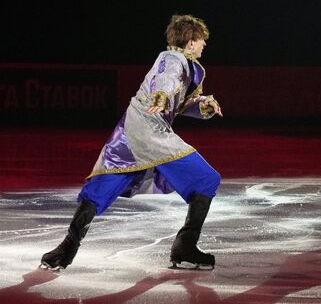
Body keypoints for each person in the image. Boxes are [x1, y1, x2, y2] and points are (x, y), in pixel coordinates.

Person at [41, 14, 223, 270]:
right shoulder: (172, 58)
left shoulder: (187, 65)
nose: (205, 44)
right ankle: (185, 246)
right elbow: (166, 79)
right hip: (148, 133)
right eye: (202, 40)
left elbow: (178, 103)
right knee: (206, 179)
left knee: (100, 189)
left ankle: (66, 249)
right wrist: (160, 95)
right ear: (190, 42)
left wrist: (202, 104)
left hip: (130, 134)